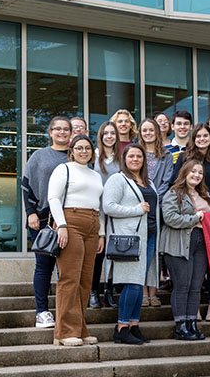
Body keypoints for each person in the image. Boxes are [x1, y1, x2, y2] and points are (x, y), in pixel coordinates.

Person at [171, 123, 210, 321]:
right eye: (198, 136)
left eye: (206, 136)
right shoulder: (184, 157)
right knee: (192, 262)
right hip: (191, 208)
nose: (202, 139)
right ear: (193, 138)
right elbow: (175, 181)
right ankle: (191, 308)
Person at [48, 134, 103, 346]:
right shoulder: (64, 169)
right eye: (79, 148)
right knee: (70, 278)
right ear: (72, 150)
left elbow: (99, 205)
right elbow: (53, 198)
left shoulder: (95, 175)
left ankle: (80, 328)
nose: (83, 151)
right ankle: (63, 333)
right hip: (70, 221)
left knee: (85, 280)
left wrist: (102, 233)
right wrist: (61, 225)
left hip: (92, 223)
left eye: (87, 148)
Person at [103, 143, 159, 345]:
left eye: (139, 156)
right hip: (129, 239)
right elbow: (108, 207)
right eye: (131, 156)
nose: (135, 159)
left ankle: (134, 326)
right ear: (124, 159)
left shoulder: (148, 182)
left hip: (149, 236)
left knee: (138, 282)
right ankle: (121, 327)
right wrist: (136, 209)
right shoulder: (117, 179)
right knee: (132, 283)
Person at [22, 116, 71, 329]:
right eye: (57, 129)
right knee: (44, 267)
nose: (62, 132)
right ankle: (42, 312)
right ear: (50, 132)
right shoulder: (39, 156)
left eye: (66, 129)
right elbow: (26, 185)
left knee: (67, 268)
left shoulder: (77, 155)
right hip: (42, 219)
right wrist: (30, 212)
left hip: (71, 218)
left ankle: (66, 311)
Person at [161, 160, 210, 340]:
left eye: (200, 173)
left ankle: (192, 323)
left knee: (196, 286)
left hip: (201, 243)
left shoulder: (204, 194)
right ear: (185, 172)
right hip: (179, 243)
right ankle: (180, 326)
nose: (197, 175)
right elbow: (170, 218)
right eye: (193, 172)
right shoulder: (173, 193)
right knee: (182, 285)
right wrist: (193, 218)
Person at [137, 118, 174, 307]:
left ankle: (154, 292)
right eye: (144, 130)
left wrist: (152, 198)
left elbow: (166, 181)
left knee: (155, 252)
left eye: (151, 130)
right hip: (137, 207)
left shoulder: (166, 155)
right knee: (143, 250)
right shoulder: (135, 153)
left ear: (157, 132)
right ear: (140, 133)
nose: (148, 133)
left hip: (157, 207)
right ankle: (143, 292)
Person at [90, 121, 122, 309]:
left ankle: (109, 290)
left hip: (116, 214)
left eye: (113, 133)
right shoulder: (93, 156)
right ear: (101, 136)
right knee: (98, 255)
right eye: (106, 133)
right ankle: (94, 291)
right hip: (97, 213)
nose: (109, 136)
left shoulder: (121, 158)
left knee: (115, 254)